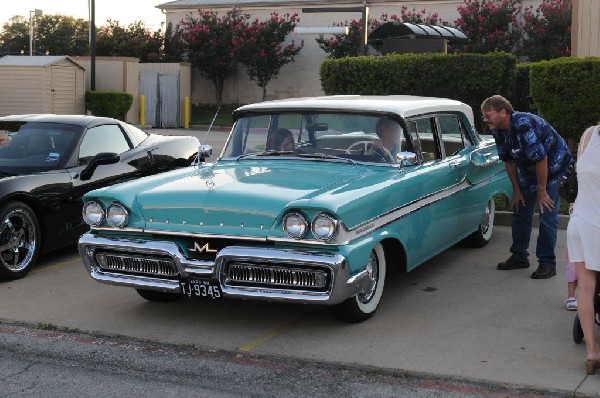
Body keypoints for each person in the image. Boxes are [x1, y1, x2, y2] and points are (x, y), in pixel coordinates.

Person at [481, 95, 572, 279]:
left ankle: (547, 263)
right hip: (531, 170)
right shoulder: (498, 129)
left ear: (503, 112)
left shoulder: (523, 124)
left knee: (547, 215)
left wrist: (542, 190)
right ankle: (519, 256)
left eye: (488, 114)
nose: (485, 119)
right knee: (520, 209)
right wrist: (516, 190)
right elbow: (508, 161)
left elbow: (541, 158)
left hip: (554, 169)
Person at [567, 124, 600, 375]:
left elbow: (580, 180)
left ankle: (592, 352)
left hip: (582, 221)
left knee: (586, 289)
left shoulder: (589, 134)